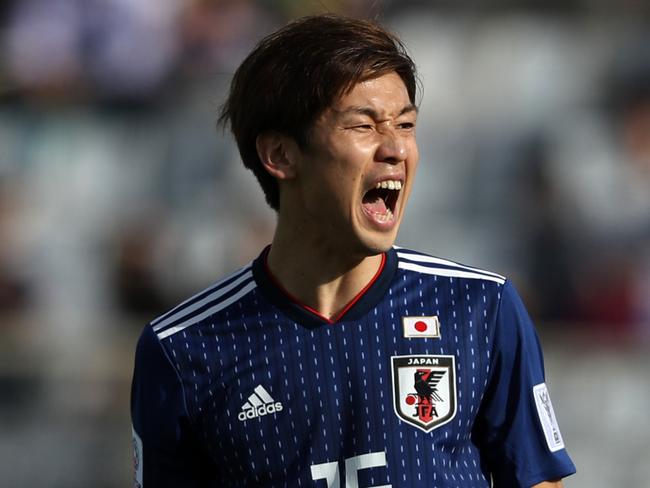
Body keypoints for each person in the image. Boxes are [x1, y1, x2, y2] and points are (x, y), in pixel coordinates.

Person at [130, 14, 576, 487]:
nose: (397, 149)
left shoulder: (480, 309)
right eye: (364, 126)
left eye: (405, 125)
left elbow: (538, 480)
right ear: (280, 155)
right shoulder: (183, 347)